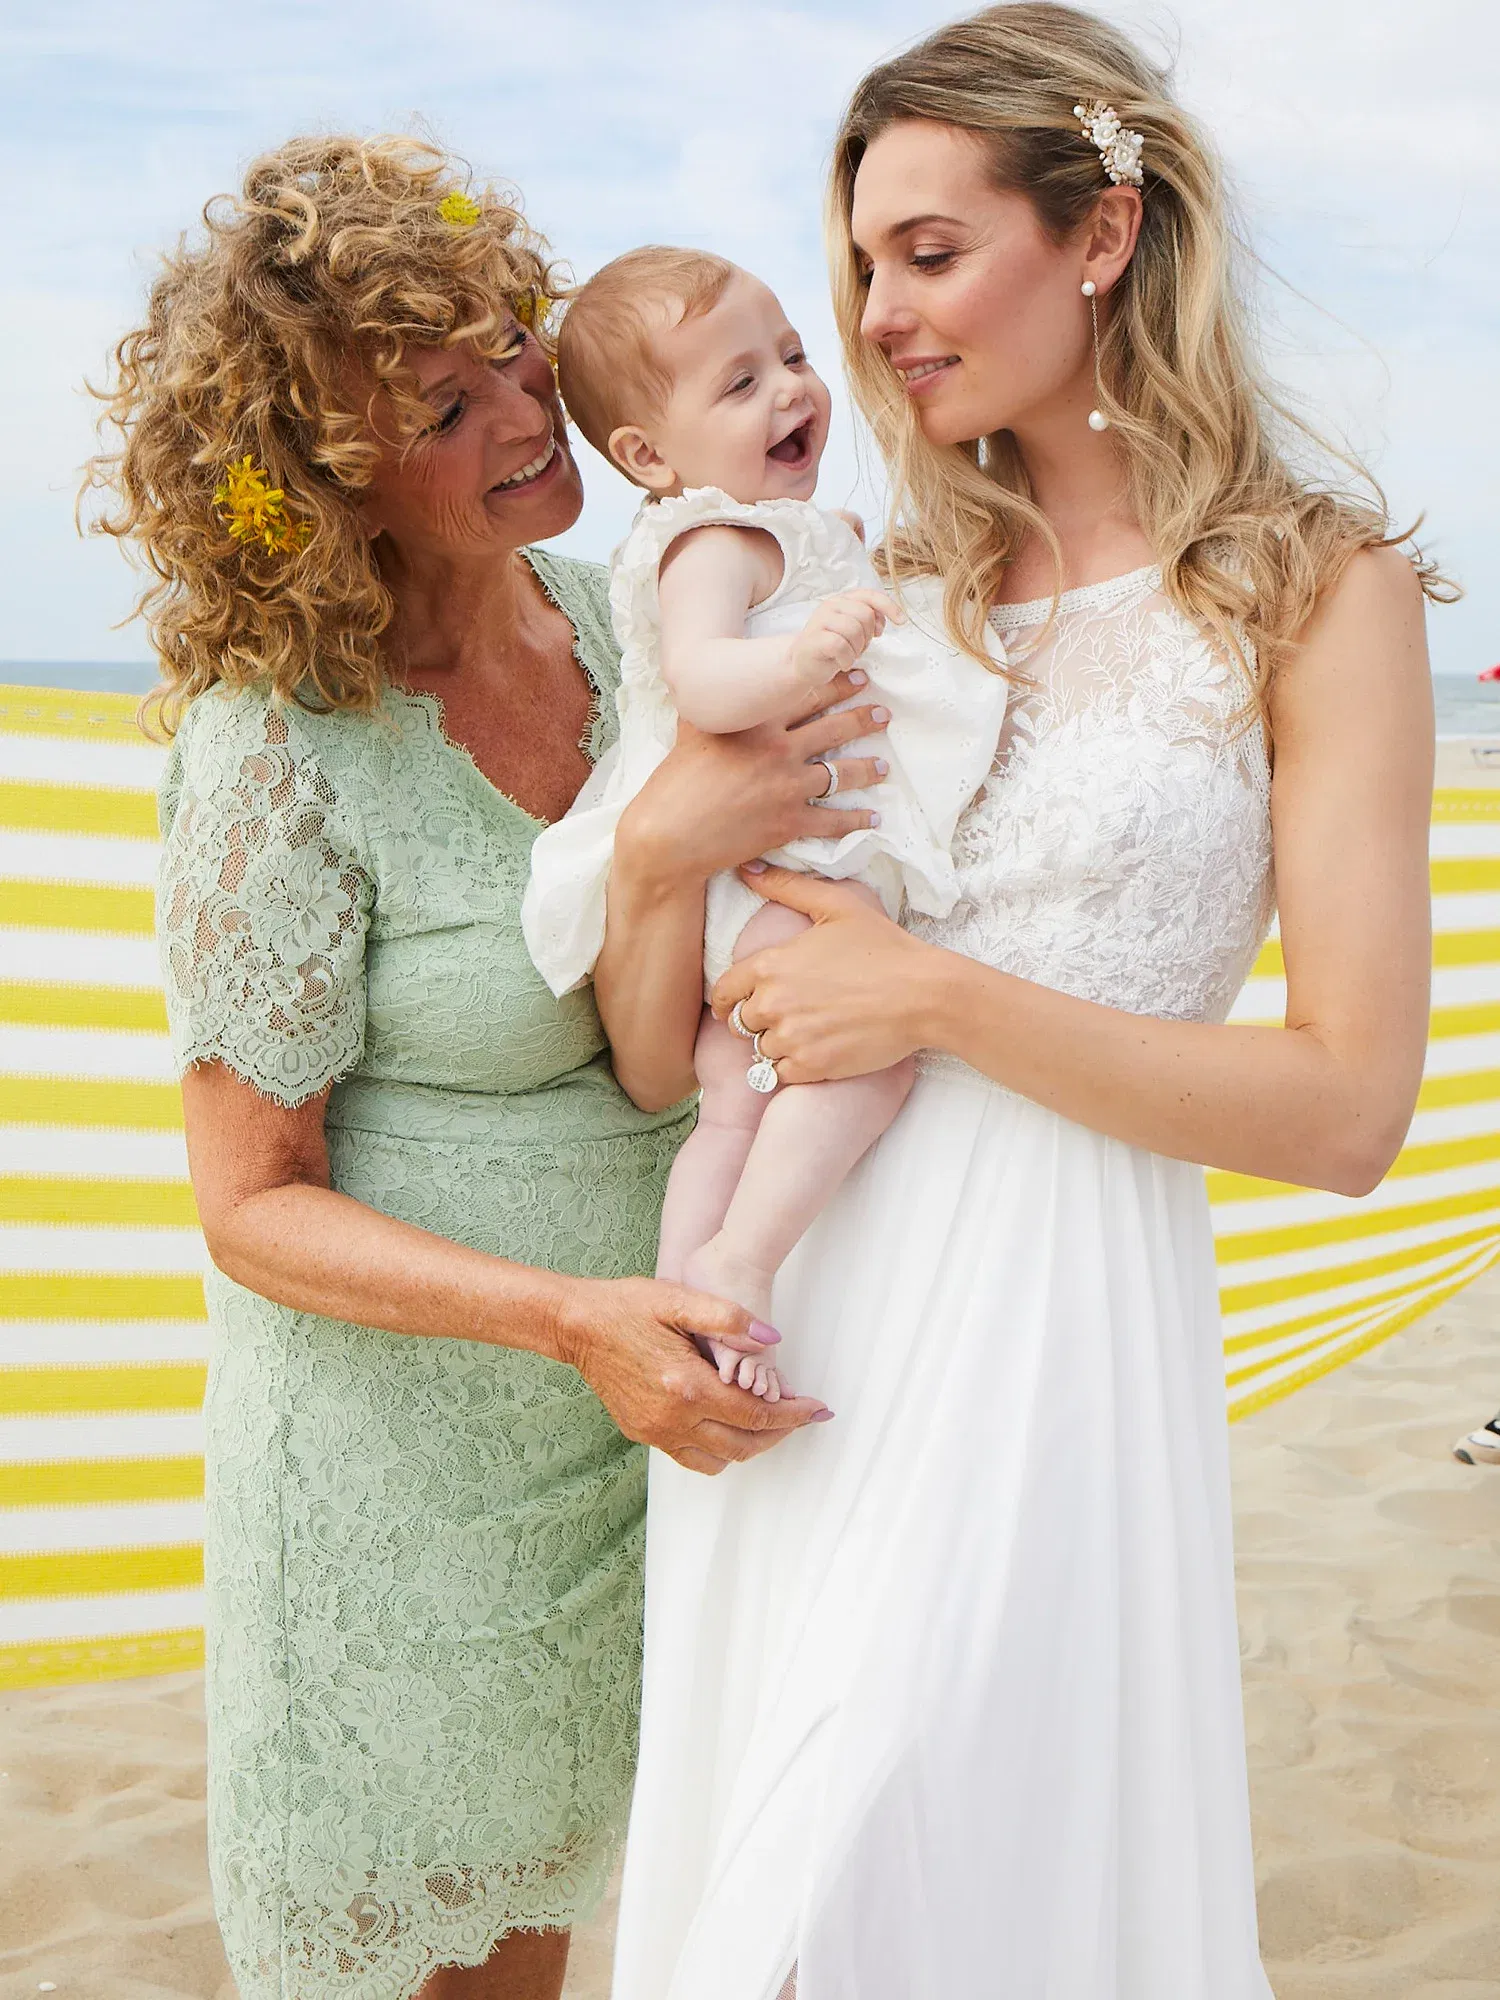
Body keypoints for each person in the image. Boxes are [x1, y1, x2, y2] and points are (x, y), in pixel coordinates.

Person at [603, 8, 1442, 1996]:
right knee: (780, 1897)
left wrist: (939, 998)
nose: (878, 315)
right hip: (792, 1303)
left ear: (1101, 231)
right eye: (860, 266)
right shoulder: (860, 574)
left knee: (915, 1866)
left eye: (928, 250)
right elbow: (665, 1043)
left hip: (1054, 1324)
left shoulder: (1318, 591)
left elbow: (1346, 1114)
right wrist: (655, 867)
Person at [84, 134, 887, 2000]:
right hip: (402, 1480)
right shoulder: (272, 745)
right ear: (323, 479)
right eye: (445, 408)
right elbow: (250, 1209)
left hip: (629, 1443)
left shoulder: (641, 629)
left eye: (517, 347)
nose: (531, 415)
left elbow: (664, 1008)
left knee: (602, 1919)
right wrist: (570, 1320)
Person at [523, 247, 1007, 1393]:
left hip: (756, 878)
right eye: (739, 384)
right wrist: (809, 655)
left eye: (790, 355)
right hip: (772, 869)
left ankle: (690, 1294)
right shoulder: (718, 539)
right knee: (869, 1070)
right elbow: (705, 685)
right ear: (648, 454)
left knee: (731, 1109)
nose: (791, 388)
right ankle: (745, 1257)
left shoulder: (783, 527)